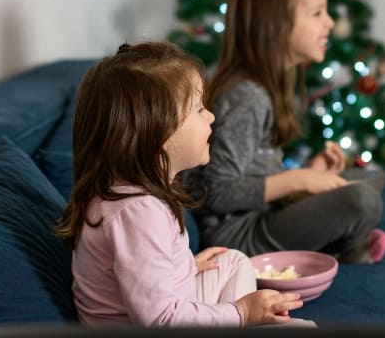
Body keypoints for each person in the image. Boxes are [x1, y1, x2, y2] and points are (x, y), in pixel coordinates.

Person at [54, 42, 314, 328]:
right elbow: (161, 319)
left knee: (233, 261)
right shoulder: (137, 212)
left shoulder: (129, 193)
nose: (211, 116)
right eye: (200, 109)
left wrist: (184, 267)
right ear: (159, 132)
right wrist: (241, 313)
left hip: (167, 312)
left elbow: (141, 272)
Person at [179, 0, 385, 264]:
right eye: (317, 13)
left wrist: (312, 173)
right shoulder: (245, 95)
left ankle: (337, 243)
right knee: (361, 200)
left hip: (262, 214)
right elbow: (217, 191)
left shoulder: (268, 84)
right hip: (236, 236)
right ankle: (341, 249)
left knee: (369, 178)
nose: (329, 22)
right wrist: (299, 180)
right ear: (276, 25)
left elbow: (255, 172)